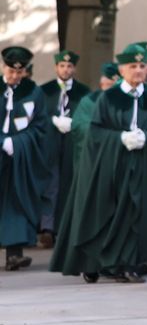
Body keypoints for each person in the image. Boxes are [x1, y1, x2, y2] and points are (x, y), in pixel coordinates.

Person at [49, 45, 147, 283]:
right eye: (132, 66)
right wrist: (120, 138)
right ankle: (100, 263)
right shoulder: (109, 98)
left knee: (136, 214)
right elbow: (95, 132)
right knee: (107, 213)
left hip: (140, 165)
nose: (138, 70)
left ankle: (128, 264)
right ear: (122, 70)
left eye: (142, 66)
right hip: (112, 165)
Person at [3, 47, 53, 271]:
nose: (15, 76)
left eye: (19, 72)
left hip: (20, 156)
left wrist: (18, 142)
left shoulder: (33, 92)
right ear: (3, 67)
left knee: (17, 200)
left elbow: (40, 125)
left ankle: (14, 254)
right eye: (11, 71)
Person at [37, 50, 88, 250]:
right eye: (62, 66)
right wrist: (52, 120)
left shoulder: (82, 92)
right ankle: (47, 227)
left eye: (69, 66)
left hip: (71, 142)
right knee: (50, 183)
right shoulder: (45, 90)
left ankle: (63, 227)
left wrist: (73, 123)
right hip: (50, 142)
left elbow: (85, 115)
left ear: (74, 68)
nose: (66, 69)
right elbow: (38, 115)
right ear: (56, 67)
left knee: (68, 182)